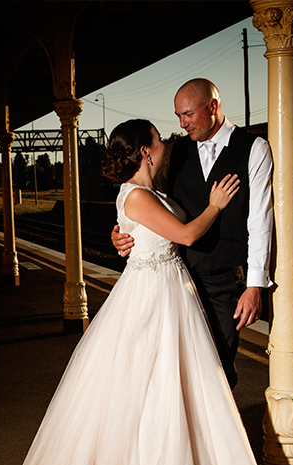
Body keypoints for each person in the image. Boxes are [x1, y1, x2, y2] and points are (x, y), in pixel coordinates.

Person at [0, 119, 271, 465]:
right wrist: (214, 205)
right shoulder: (137, 195)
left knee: (171, 391)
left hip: (171, 291)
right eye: (158, 140)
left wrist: (126, 235)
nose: (164, 145)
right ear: (144, 150)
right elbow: (187, 235)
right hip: (153, 296)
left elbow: (143, 230)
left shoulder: (147, 191)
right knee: (148, 391)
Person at [112, 79, 273, 388]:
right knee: (172, 377)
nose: (182, 124)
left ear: (212, 107)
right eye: (178, 116)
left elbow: (260, 220)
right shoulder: (174, 153)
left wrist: (255, 286)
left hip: (223, 280)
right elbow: (146, 203)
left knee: (218, 374)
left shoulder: (254, 149)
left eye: (188, 114)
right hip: (174, 283)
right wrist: (121, 233)